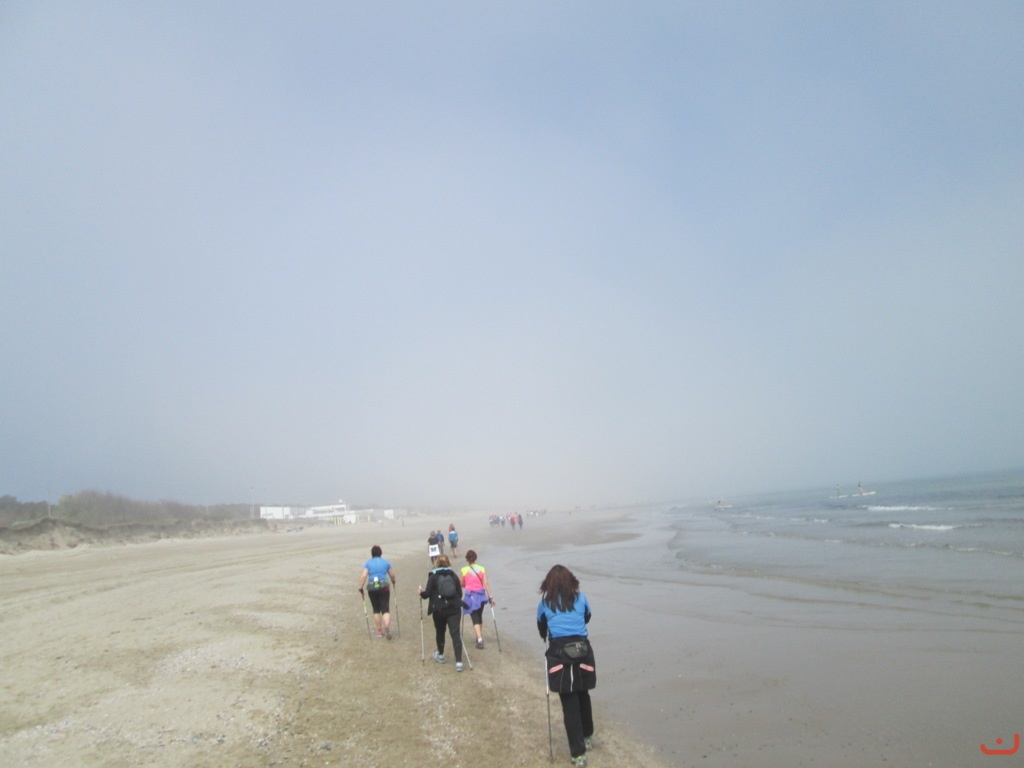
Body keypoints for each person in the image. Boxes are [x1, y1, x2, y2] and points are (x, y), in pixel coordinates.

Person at [537, 564, 596, 767]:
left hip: (559, 654)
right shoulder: (581, 598)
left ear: (549, 584)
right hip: (583, 650)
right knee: (583, 694)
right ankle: (587, 737)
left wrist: (548, 632)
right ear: (572, 581)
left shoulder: (545, 603)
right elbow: (587, 617)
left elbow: (541, 627)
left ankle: (578, 754)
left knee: (570, 702)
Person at [418, 555, 465, 671]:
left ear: (437, 563)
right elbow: (459, 594)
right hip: (454, 609)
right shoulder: (453, 575)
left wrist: (420, 592)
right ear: (449, 563)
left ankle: (441, 654)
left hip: (439, 610)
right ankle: (459, 662)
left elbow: (426, 594)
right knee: (455, 634)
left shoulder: (433, 576)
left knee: (440, 632)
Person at [358, 545, 396, 639]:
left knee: (376, 609)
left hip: (372, 587)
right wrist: (393, 582)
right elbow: (392, 575)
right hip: (384, 587)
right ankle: (386, 626)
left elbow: (364, 576)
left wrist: (361, 587)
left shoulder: (368, 563)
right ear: (380, 553)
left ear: (372, 554)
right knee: (385, 609)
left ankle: (379, 631)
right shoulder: (385, 562)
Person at [460, 549, 493, 649]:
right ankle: (479, 636)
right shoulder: (482, 569)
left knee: (474, 618)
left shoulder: (464, 570)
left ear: (467, 559)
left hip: (470, 596)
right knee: (479, 616)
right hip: (481, 596)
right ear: (475, 558)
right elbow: (486, 583)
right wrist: (490, 597)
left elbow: (461, 583)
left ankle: (479, 639)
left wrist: (467, 585)